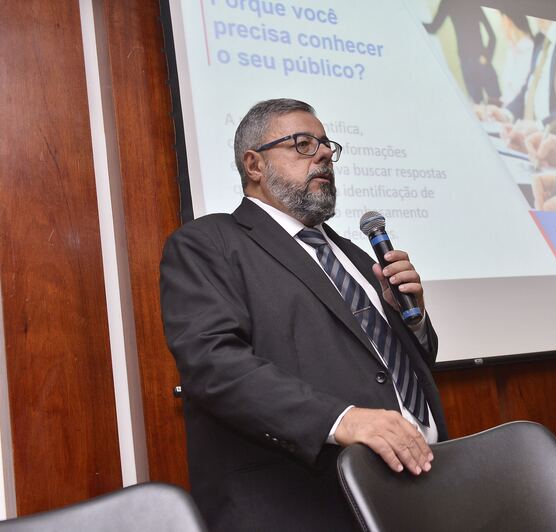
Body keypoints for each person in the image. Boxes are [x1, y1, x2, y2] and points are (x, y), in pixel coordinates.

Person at [159, 99, 448, 531]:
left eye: (327, 145)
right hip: (305, 503)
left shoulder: (354, 255)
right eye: (303, 144)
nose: (325, 154)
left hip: (416, 490)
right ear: (254, 165)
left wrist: (414, 320)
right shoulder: (208, 244)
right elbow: (214, 365)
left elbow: (401, 367)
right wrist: (341, 419)